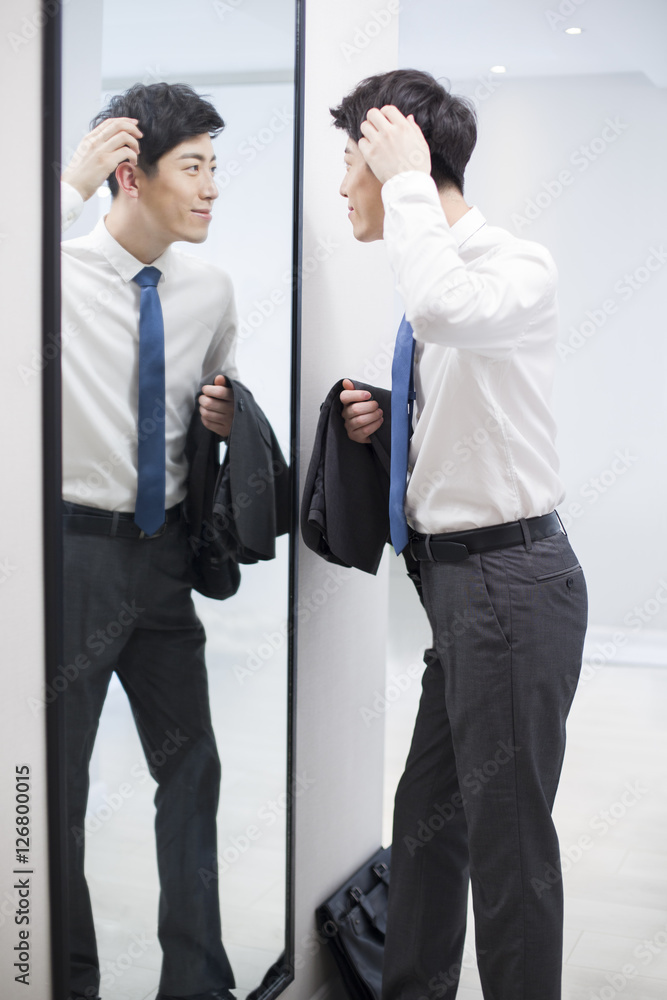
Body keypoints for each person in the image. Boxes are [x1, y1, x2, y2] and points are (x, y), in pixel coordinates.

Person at [331, 69, 588, 1000]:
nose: (343, 183)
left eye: (350, 159)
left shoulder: (512, 264)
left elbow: (448, 310)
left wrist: (404, 181)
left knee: (509, 851)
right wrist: (392, 414)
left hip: (512, 588)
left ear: (401, 157)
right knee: (428, 827)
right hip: (459, 594)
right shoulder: (427, 280)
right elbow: (471, 400)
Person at [60, 82, 239, 1000]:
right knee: (54, 793)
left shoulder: (209, 288)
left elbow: (217, 409)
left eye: (217, 167)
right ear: (131, 174)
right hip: (72, 561)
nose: (212, 189)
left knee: (192, 769)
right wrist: (68, 186)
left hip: (162, 558)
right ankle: (65, 979)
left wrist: (220, 416)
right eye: (195, 167)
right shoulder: (46, 273)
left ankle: (197, 983)